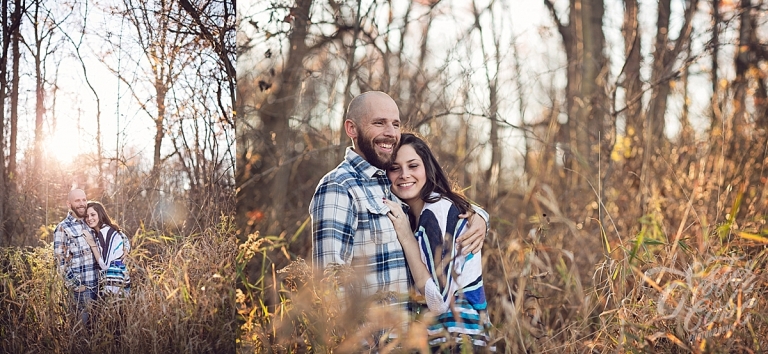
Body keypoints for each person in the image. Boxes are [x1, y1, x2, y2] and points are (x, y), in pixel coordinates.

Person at [309, 91, 489, 345]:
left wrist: (479, 216)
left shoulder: (388, 184)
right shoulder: (339, 187)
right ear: (352, 128)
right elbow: (329, 280)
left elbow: (440, 206)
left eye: (395, 124)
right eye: (379, 122)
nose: (390, 132)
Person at [383, 133, 494, 352]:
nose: (404, 175)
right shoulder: (426, 213)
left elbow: (439, 301)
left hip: (459, 339)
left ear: (427, 168)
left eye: (413, 165)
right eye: (395, 168)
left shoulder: (436, 211)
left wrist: (406, 237)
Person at [53, 189, 102, 325]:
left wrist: (125, 247)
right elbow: (60, 261)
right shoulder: (63, 228)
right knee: (82, 334)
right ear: (69, 204)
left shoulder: (92, 221)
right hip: (82, 292)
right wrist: (76, 286)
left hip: (100, 288)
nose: (82, 204)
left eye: (84, 200)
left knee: (99, 332)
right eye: (77, 200)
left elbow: (115, 232)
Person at [85, 201, 131, 296]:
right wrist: (126, 249)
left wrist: (92, 245)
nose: (89, 218)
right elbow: (124, 238)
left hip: (114, 282)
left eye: (93, 215)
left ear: (100, 215)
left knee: (114, 310)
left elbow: (104, 265)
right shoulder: (108, 230)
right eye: (87, 216)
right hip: (119, 279)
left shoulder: (104, 232)